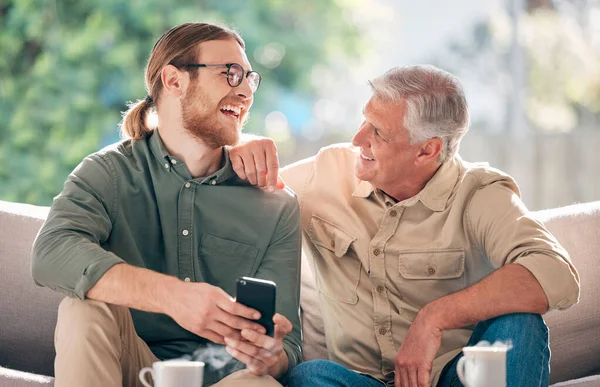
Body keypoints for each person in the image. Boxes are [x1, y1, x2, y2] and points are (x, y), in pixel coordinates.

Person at [229, 65, 580, 386]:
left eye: (377, 132)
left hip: (454, 378)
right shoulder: (328, 171)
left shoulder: (479, 193)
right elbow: (237, 187)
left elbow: (555, 273)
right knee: (311, 376)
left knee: (520, 326)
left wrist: (435, 317)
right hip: (359, 381)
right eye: (364, 120)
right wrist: (244, 144)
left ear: (427, 151)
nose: (357, 139)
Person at [31, 23, 302, 387]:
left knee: (261, 385)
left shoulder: (276, 203)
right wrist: (175, 297)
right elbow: (51, 252)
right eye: (230, 74)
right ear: (174, 80)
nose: (245, 92)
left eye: (249, 79)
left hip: (224, 380)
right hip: (129, 365)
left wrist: (271, 357)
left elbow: (291, 348)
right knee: (84, 309)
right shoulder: (109, 173)